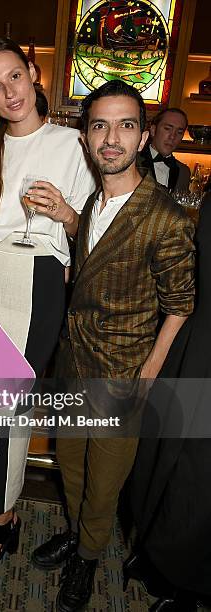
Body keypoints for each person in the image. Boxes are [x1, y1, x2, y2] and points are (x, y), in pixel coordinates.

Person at [31, 80, 196, 612]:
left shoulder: (165, 216)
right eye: (100, 125)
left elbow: (181, 304)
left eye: (126, 125)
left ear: (143, 137)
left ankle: (88, 556)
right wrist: (66, 218)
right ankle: (80, 534)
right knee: (70, 465)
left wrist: (148, 373)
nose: (111, 138)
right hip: (75, 360)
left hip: (122, 373)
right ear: (85, 137)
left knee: (103, 484)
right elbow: (98, 250)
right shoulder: (92, 202)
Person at [0, 36, 96, 577]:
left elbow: (91, 238)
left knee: (6, 405)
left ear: (33, 72)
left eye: (14, 76)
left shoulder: (73, 145)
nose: (8, 91)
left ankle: (0, 520)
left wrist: (63, 212)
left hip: (35, 282)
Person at [126, 191, 211, 612]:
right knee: (168, 457)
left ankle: (187, 582)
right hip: (194, 344)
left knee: (198, 470)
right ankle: (164, 559)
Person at [139, 107, 190, 192]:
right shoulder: (132, 162)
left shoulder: (184, 172)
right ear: (153, 130)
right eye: (167, 129)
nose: (173, 136)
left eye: (179, 132)